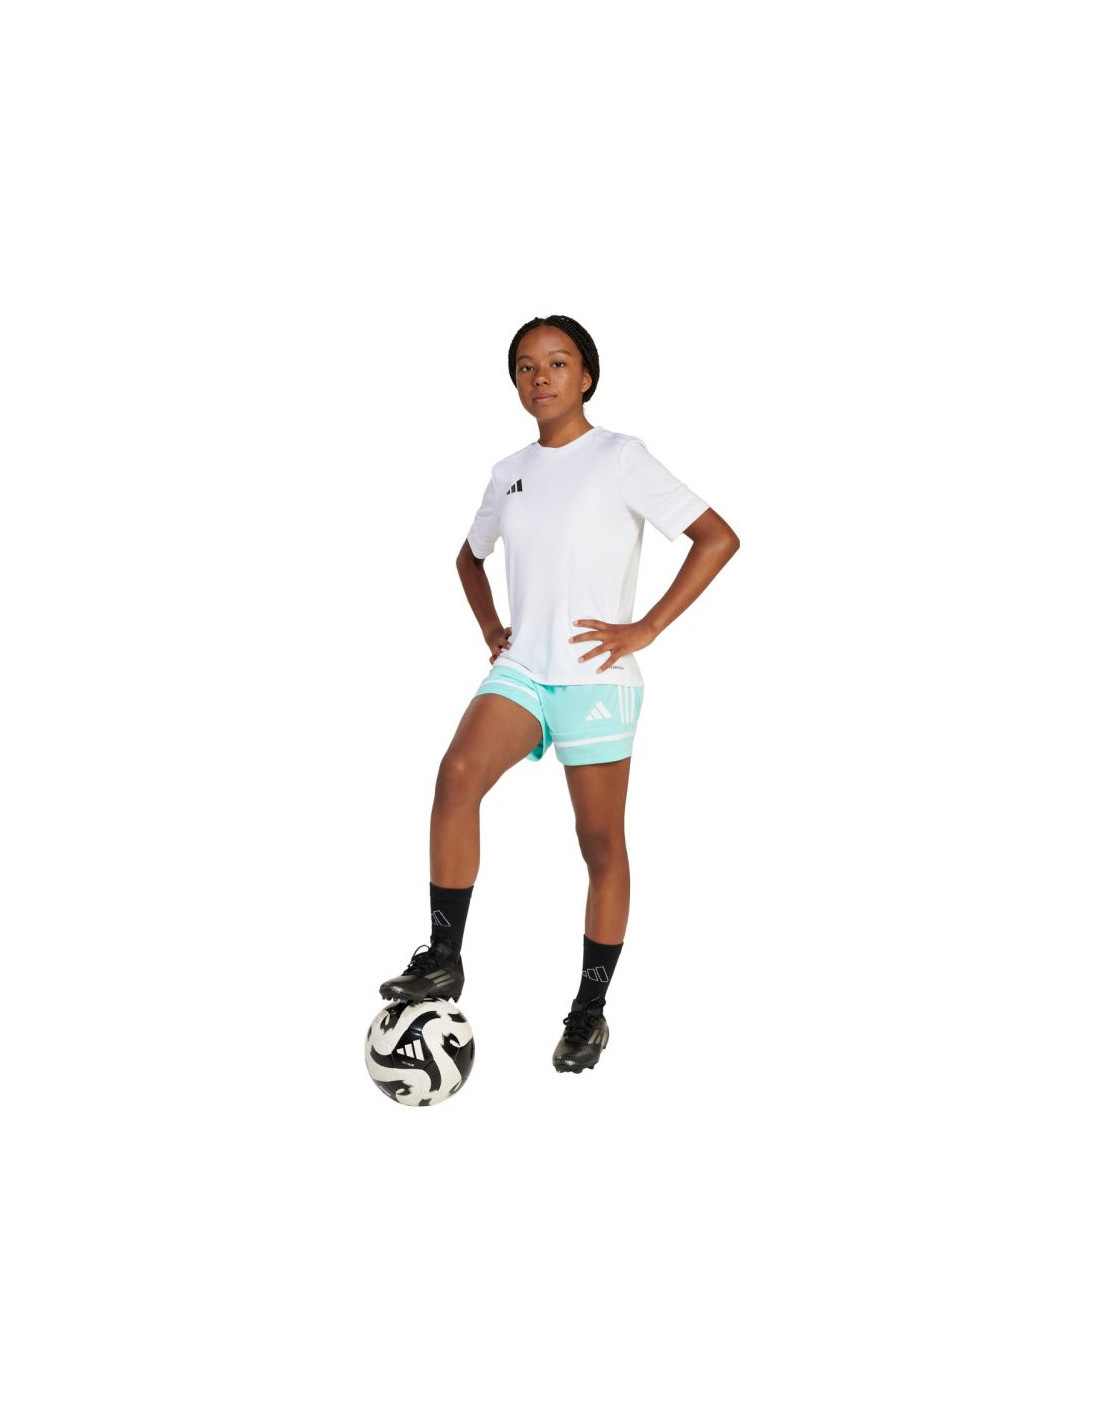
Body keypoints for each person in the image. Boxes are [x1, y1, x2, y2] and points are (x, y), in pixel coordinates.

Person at [379, 314, 739, 1072]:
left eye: (558, 362)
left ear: (586, 377)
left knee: (600, 845)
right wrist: (491, 628)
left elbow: (718, 538)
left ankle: (588, 1012)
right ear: (515, 382)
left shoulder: (621, 457)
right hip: (522, 671)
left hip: (595, 680)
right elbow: (468, 558)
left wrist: (646, 628)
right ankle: (444, 957)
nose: (540, 376)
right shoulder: (507, 471)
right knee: (457, 774)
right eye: (525, 366)